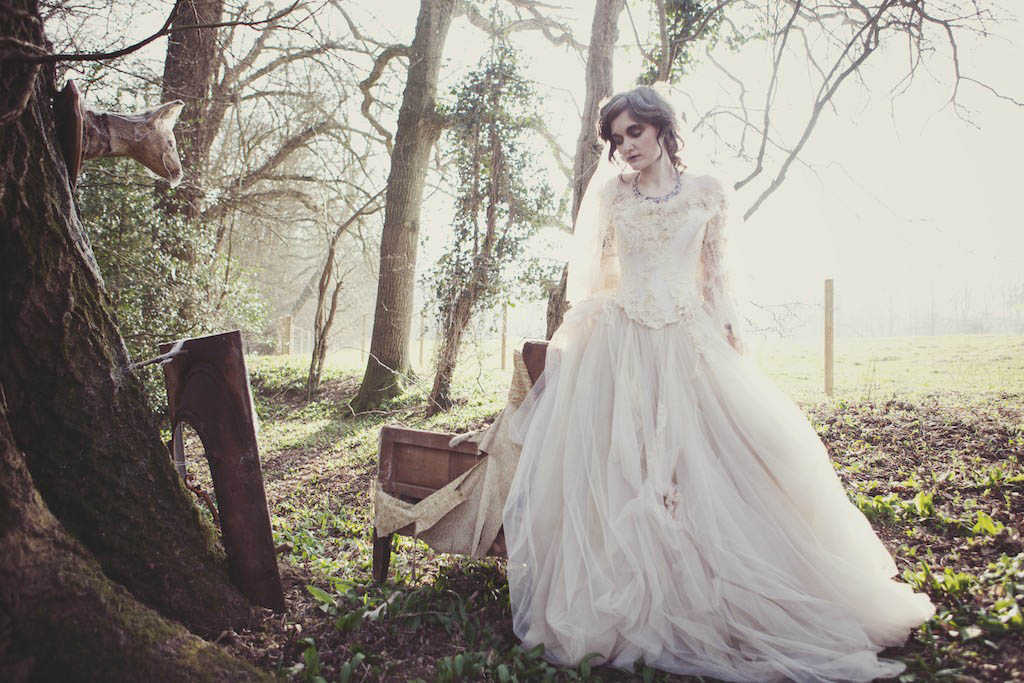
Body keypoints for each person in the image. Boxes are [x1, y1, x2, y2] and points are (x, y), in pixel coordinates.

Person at [501, 86, 934, 683]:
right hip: (623, 342)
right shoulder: (611, 194)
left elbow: (718, 273)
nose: (625, 146)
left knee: (713, 462)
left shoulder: (708, 191)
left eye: (634, 132)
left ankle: (726, 587)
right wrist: (598, 320)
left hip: (689, 338)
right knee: (622, 466)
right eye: (617, 139)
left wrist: (728, 333)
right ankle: (636, 592)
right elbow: (598, 273)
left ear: (661, 127)